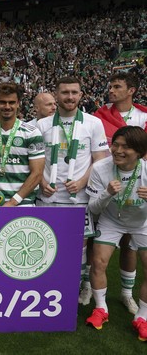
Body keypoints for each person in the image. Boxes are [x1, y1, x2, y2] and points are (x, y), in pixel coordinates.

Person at [36, 76, 109, 305]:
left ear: (81, 95)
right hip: (48, 195)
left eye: (74, 92)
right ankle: (51, 286)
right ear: (56, 95)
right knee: (47, 242)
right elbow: (35, 160)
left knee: (80, 245)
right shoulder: (42, 125)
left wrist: (82, 181)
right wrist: (40, 182)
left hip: (79, 196)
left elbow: (100, 159)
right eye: (65, 92)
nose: (69, 97)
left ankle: (82, 285)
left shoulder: (93, 123)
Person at [85, 126, 147, 341]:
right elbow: (93, 208)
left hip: (142, 222)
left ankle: (143, 316)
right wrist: (107, 193)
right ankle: (101, 309)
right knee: (99, 262)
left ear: (139, 152)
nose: (118, 150)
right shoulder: (100, 168)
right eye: (115, 144)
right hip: (112, 220)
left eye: (126, 147)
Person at [94, 72, 147, 313]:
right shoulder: (99, 115)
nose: (111, 91)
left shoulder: (143, 115)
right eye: (110, 86)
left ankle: (127, 294)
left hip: (138, 183)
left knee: (130, 247)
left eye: (117, 86)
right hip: (108, 180)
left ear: (131, 90)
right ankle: (91, 291)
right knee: (99, 252)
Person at [0, 83, 44, 206]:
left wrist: (13, 202)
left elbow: (37, 173)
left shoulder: (32, 133)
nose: (7, 106)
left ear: (18, 103)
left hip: (23, 205)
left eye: (11, 102)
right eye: (2, 102)